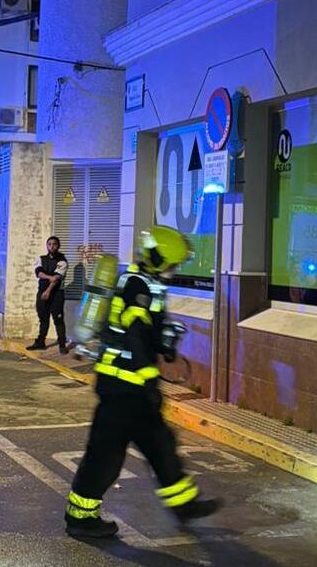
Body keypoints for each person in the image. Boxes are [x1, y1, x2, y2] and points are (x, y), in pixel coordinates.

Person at [64, 226, 221, 538]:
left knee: (160, 445)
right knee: (105, 456)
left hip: (131, 387)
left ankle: (184, 505)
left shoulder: (147, 283)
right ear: (158, 259)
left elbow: (146, 332)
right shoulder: (137, 285)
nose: (174, 270)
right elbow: (135, 333)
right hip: (122, 386)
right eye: (172, 264)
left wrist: (165, 342)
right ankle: (80, 517)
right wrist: (150, 381)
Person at [27, 236, 69, 354]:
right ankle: (40, 342)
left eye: (54, 244)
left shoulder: (62, 260)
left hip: (56, 294)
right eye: (49, 244)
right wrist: (49, 277)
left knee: (58, 320)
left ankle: (62, 345)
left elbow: (56, 278)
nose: (51, 246)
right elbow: (39, 273)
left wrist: (48, 291)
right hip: (42, 292)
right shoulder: (41, 259)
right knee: (43, 319)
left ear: (58, 246)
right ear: (47, 246)